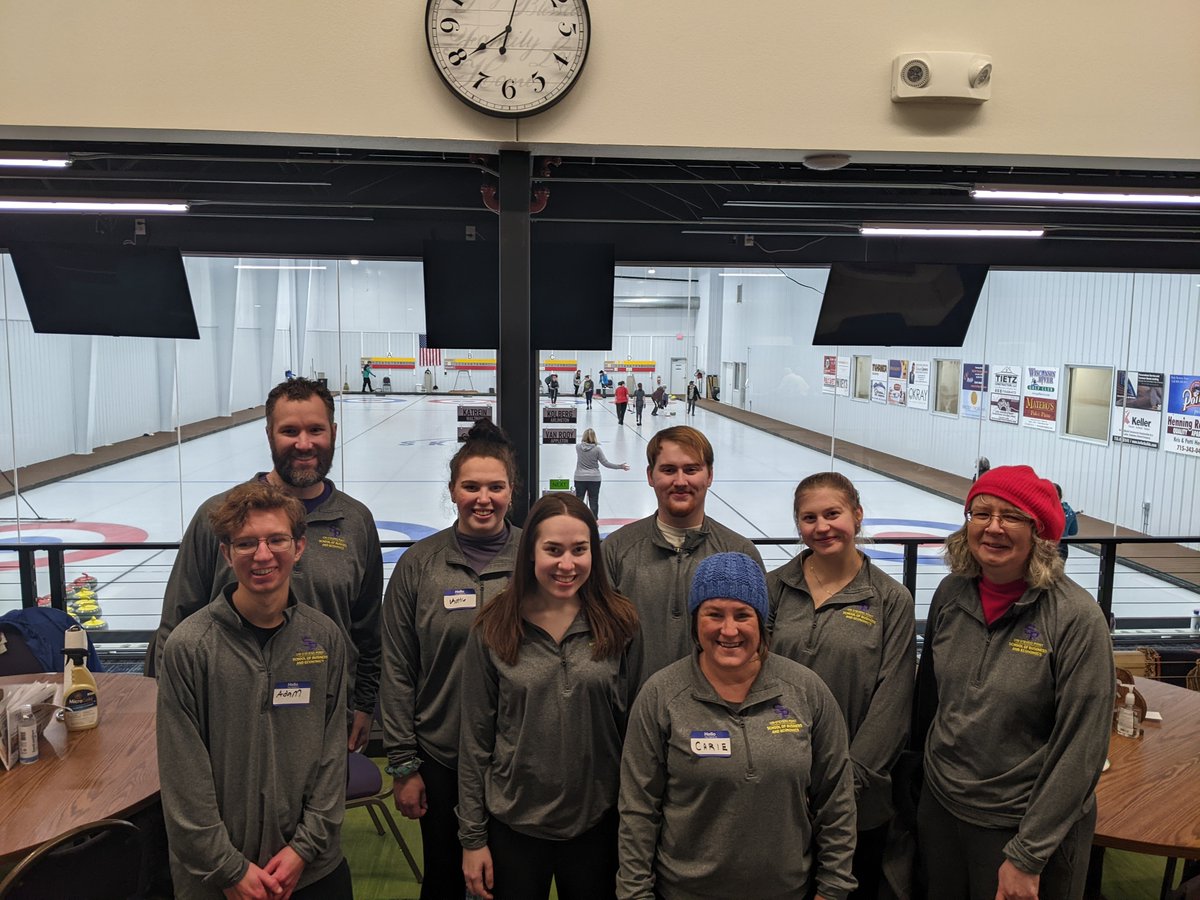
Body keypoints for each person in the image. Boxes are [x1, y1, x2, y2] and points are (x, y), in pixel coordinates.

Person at [913, 465, 1115, 900]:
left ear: (1039, 532)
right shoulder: (951, 592)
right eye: (982, 513)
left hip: (1020, 827)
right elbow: (930, 700)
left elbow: (1081, 746)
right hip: (943, 809)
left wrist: (1028, 854)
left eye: (1012, 516)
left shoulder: (1075, 618)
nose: (994, 528)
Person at [149, 377, 383, 752]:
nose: (303, 443)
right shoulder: (217, 516)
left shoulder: (355, 521)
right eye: (289, 430)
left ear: (333, 432)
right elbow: (176, 625)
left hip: (322, 719)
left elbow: (368, 630)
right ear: (269, 435)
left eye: (315, 430)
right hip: (227, 721)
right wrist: (177, 714)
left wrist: (365, 704)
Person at [618, 552, 857, 900]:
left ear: (761, 621)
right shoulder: (661, 695)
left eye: (742, 615)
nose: (728, 630)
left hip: (786, 892)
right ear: (695, 621)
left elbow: (837, 801)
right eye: (714, 614)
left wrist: (833, 889)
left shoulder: (807, 691)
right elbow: (638, 810)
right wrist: (635, 894)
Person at [157, 482, 351, 900]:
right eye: (246, 543)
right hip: (217, 879)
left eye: (276, 540)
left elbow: (333, 757)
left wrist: (303, 849)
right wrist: (229, 869)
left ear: (299, 547)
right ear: (226, 554)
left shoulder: (324, 639)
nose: (263, 555)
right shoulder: (189, 648)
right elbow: (182, 776)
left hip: (311, 869)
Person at [459, 493, 641, 900]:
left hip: (598, 826)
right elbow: (474, 742)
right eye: (552, 550)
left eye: (580, 550)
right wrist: (472, 839)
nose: (566, 565)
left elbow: (634, 735)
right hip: (514, 826)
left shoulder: (621, 624)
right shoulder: (493, 627)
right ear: (529, 553)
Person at [380, 419, 522, 900]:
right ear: (452, 491)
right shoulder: (419, 564)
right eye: (471, 486)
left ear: (511, 490)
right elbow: (397, 669)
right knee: (443, 877)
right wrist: (403, 765)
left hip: (516, 758)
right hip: (440, 757)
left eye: (495, 487)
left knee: (510, 879)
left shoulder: (535, 560)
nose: (484, 498)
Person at [768, 472, 915, 898]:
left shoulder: (890, 599)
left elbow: (893, 699)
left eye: (833, 514)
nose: (822, 527)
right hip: (782, 781)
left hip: (857, 796)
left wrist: (846, 783)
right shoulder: (775, 586)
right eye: (808, 518)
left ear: (857, 515)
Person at [603, 426, 764, 677]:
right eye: (668, 470)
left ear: (709, 475)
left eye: (691, 469)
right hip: (631, 712)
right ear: (650, 475)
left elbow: (759, 645)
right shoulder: (616, 550)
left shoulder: (740, 553)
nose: (680, 481)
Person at [575, 427, 630, 517]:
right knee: (594, 500)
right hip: (594, 478)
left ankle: (577, 519)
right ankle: (594, 520)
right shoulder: (597, 449)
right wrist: (620, 466)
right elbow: (606, 463)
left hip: (579, 477)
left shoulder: (578, 447)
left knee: (579, 500)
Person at [1054, 482, 1080, 561]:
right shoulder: (1069, 511)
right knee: (1058, 572)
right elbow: (1073, 531)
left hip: (1045, 547)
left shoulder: (1042, 510)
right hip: (1062, 547)